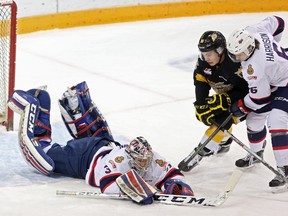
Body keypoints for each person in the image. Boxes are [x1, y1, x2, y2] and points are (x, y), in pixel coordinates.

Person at [7, 81, 194, 205]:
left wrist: (174, 184)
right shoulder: (121, 160)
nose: (145, 163)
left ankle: (59, 103)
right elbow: (106, 184)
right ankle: (31, 106)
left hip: (103, 144)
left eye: (146, 159)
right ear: (132, 157)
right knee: (48, 159)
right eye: (141, 161)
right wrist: (136, 189)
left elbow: (172, 173)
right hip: (83, 157)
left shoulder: (153, 158)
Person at [227, 15, 288, 190]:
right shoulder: (254, 31)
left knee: (277, 120)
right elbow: (278, 22)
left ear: (249, 48)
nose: (236, 57)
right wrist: (275, 48)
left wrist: (240, 107)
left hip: (285, 82)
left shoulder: (255, 68)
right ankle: (256, 153)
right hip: (278, 78)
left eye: (239, 54)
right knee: (254, 120)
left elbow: (260, 98)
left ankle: (285, 169)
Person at [178, 30, 249, 171]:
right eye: (203, 54)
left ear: (220, 50)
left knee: (223, 120)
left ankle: (200, 153)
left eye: (209, 54)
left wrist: (227, 98)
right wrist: (201, 105)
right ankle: (224, 142)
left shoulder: (235, 63)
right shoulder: (203, 64)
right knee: (209, 115)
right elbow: (200, 82)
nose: (206, 58)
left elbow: (247, 90)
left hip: (246, 99)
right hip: (227, 97)